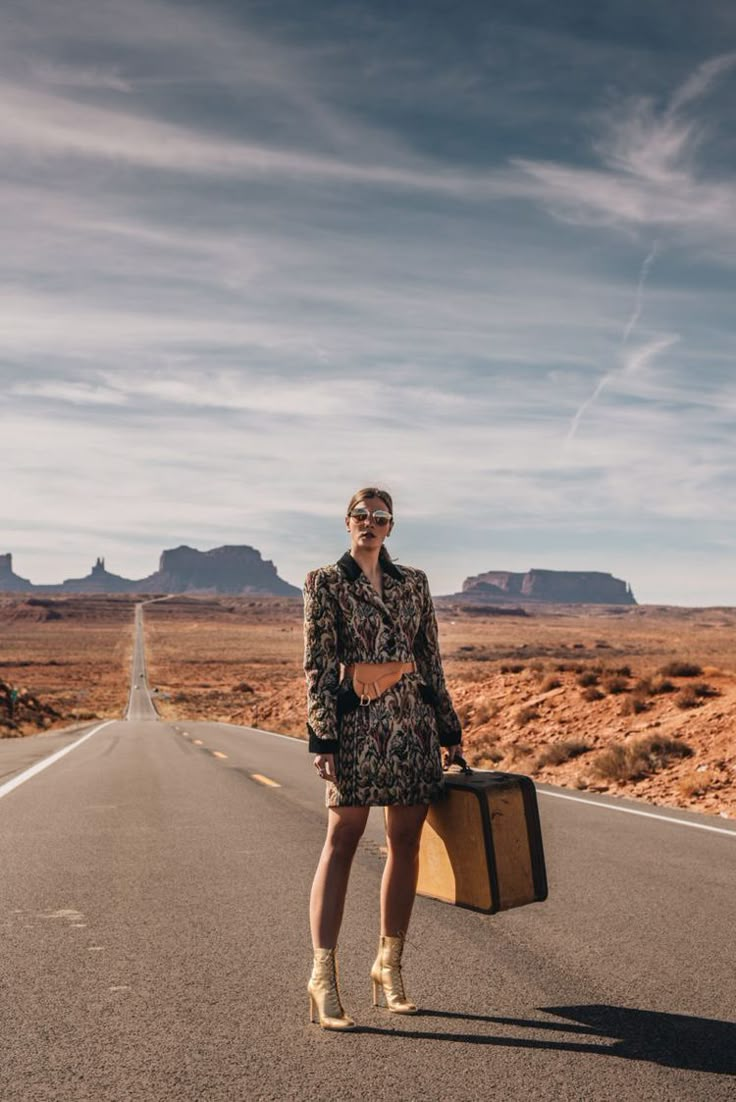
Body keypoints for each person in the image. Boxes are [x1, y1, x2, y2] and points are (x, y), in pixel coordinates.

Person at [304, 486, 462, 1030]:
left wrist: (449, 728)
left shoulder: (412, 583)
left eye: (379, 517)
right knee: (341, 840)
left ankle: (388, 965)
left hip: (412, 727)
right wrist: (322, 737)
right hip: (356, 730)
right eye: (360, 516)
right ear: (346, 523)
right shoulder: (326, 583)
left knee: (406, 843)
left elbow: (430, 657)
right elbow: (319, 664)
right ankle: (323, 977)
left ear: (391, 528)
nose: (369, 524)